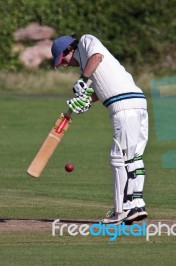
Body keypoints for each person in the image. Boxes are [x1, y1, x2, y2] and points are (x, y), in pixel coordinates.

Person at [51, 34, 149, 224]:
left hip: (124, 107)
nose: (63, 64)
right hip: (137, 103)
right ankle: (136, 205)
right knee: (134, 156)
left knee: (119, 157)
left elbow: (97, 57)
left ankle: (122, 210)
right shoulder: (87, 65)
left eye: (62, 59)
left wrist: (82, 80)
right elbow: (102, 88)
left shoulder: (86, 41)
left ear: (68, 49)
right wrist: (87, 100)